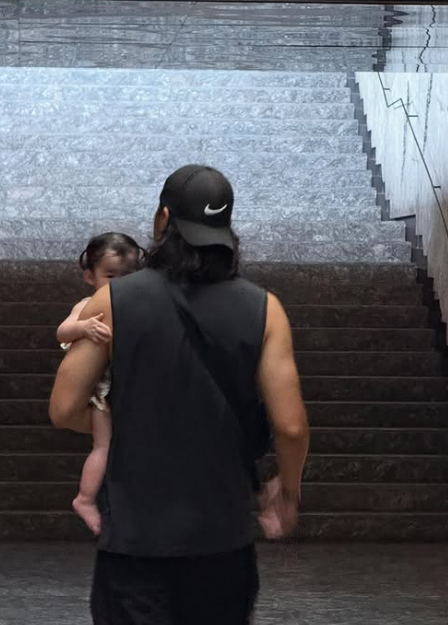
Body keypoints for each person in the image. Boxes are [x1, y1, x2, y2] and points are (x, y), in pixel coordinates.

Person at [50, 165, 309, 625]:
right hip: (223, 543)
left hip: (135, 543)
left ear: (163, 219)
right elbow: (290, 426)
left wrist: (126, 424)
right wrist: (287, 491)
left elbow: (64, 407)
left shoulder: (113, 301)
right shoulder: (266, 309)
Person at [56, 232, 144, 535]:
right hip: (102, 392)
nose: (119, 284)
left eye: (128, 276)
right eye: (110, 276)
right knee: (103, 445)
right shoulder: (87, 304)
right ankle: (85, 498)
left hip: (127, 386)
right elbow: (62, 331)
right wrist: (84, 326)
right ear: (89, 276)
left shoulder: (139, 305)